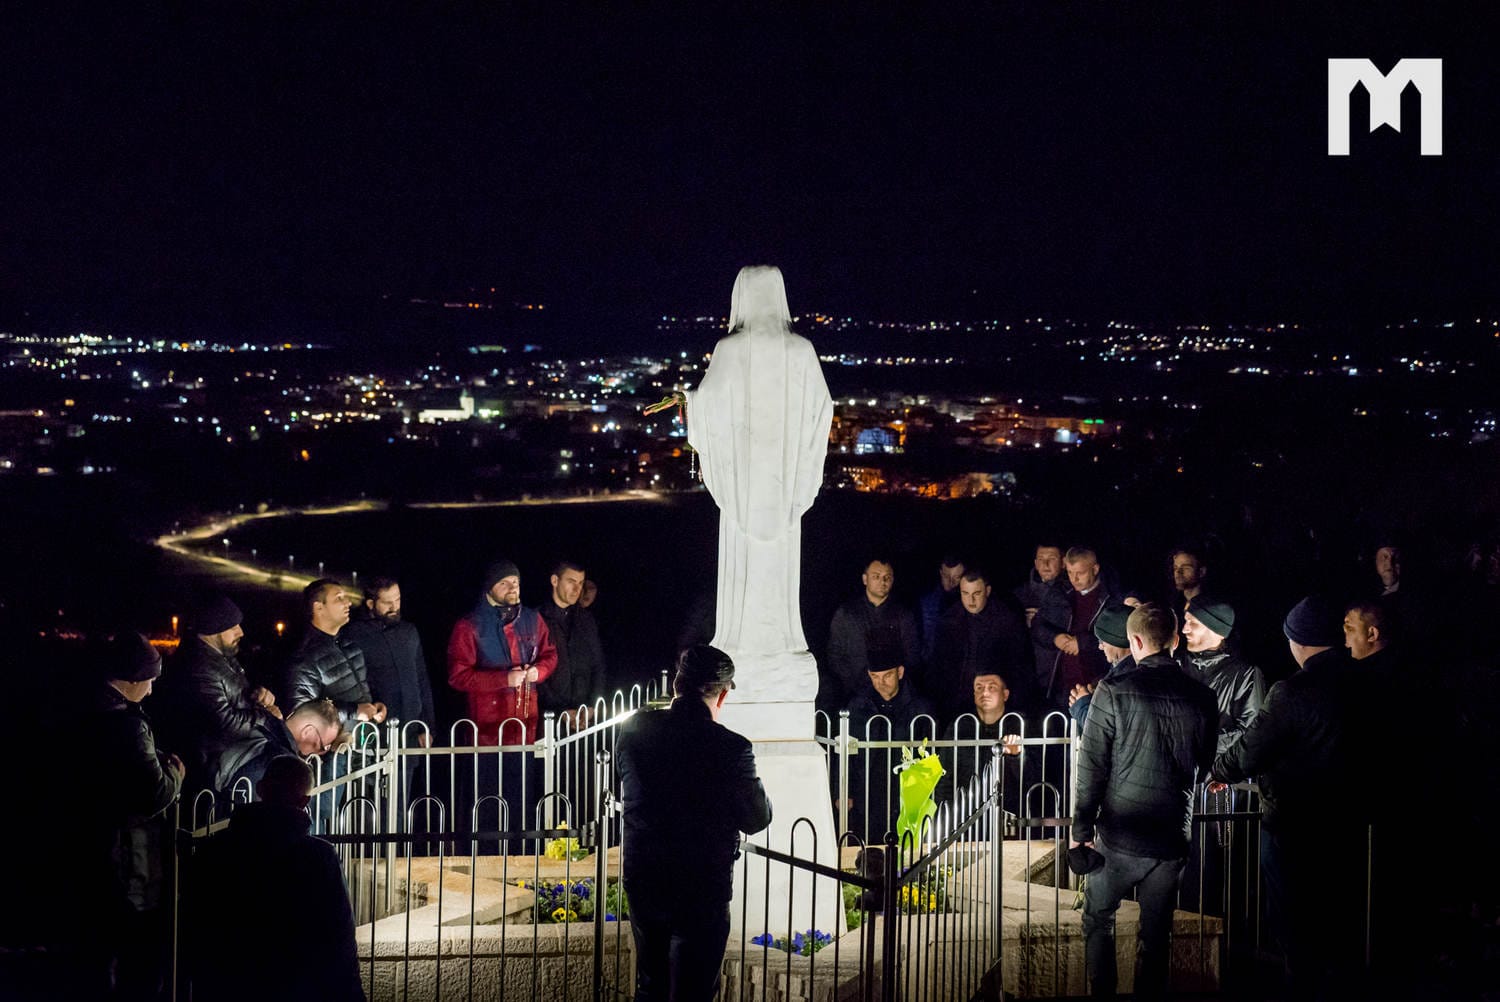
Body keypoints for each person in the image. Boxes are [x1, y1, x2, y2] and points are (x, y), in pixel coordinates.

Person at [1211, 595, 1360, 1000]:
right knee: (1342, 916)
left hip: (1294, 822)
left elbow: (1252, 750)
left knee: (1294, 918)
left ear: (1297, 641)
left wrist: (1220, 770)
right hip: (1352, 821)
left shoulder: (1292, 691)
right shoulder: (1364, 681)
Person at [681, 265, 834, 660]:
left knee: (743, 575)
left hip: (743, 491)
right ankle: (781, 645)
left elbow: (708, 409)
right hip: (784, 491)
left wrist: (687, 403)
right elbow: (822, 410)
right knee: (779, 576)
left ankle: (742, 645)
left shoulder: (730, 349)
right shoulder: (801, 350)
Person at [1071, 604, 1218, 1001]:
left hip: (1122, 832)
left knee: (1098, 918)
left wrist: (1081, 830)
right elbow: (1205, 763)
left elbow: (1092, 768)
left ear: (1134, 641)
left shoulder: (1113, 691)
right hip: (1172, 835)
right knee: (1156, 934)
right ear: (1174, 640)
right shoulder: (1203, 696)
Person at [616, 645, 772, 1002]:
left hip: (646, 876)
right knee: (695, 991)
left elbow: (627, 784)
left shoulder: (634, 730)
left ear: (677, 684)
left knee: (650, 984)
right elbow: (756, 818)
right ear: (723, 695)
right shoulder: (731, 747)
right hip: (701, 885)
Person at [185, 755, 364, 1001]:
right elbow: (338, 936)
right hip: (298, 986)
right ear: (305, 801)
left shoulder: (215, 850)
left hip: (230, 983)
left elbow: (195, 923)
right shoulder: (318, 857)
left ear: (260, 789)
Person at [77, 630, 186, 1000]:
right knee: (137, 952)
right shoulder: (129, 725)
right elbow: (152, 793)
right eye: (150, 680)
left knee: (96, 950)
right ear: (132, 678)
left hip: (89, 846)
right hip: (128, 854)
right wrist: (175, 774)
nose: (152, 690)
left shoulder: (81, 710)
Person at [447, 558, 557, 847]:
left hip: (524, 727)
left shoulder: (532, 619)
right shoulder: (469, 625)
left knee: (520, 799)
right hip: (486, 732)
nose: (512, 588)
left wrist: (539, 671)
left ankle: (520, 854)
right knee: (487, 801)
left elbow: (549, 654)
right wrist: (503, 679)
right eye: (505, 583)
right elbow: (458, 676)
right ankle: (485, 854)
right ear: (490, 587)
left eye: (516, 582)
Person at [157, 593, 282, 796]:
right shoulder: (198, 667)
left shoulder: (222, 657)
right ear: (212, 630)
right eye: (232, 626)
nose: (241, 632)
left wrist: (258, 695)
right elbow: (223, 723)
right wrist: (265, 716)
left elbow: (234, 694)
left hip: (231, 759)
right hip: (213, 772)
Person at [845, 642, 937, 844]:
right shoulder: (858, 706)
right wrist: (843, 791)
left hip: (906, 790)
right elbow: (845, 753)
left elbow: (931, 756)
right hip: (867, 790)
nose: (881, 682)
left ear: (900, 672)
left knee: (907, 846)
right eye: (875, 676)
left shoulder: (921, 708)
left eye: (887, 675)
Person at [344, 576, 436, 747]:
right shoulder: (353, 635)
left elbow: (422, 679)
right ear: (370, 604)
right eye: (387, 603)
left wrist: (427, 725)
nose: (395, 607)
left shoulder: (409, 632)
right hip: (375, 730)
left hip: (412, 729)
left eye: (398, 600)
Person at [932, 567, 1033, 723]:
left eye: (976, 593)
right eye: (965, 593)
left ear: (987, 591)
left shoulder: (1007, 620)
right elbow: (940, 667)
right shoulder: (949, 620)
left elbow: (1019, 666)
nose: (970, 600)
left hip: (997, 704)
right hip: (958, 704)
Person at [283, 579, 385, 729]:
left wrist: (376, 703)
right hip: (338, 742)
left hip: (367, 737)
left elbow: (365, 685)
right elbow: (303, 712)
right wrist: (352, 712)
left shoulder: (350, 644)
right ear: (319, 608)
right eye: (339, 598)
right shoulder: (304, 657)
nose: (348, 603)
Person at [826, 558, 921, 708]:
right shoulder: (847, 614)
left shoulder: (903, 615)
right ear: (865, 579)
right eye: (876, 576)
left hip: (895, 698)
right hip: (854, 695)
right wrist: (855, 685)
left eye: (887, 577)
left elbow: (912, 655)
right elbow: (835, 655)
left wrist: (893, 687)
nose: (882, 582)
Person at [1033, 546, 1119, 709]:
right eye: (1070, 573)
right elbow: (1038, 626)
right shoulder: (1059, 592)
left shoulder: (1110, 597)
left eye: (1080, 573)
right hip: (1059, 687)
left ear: (1095, 569)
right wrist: (1055, 638)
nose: (1075, 579)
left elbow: (1117, 636)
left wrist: (1082, 643)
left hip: (1096, 684)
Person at [1179, 599, 1265, 757]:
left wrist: (1198, 747)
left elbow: (1250, 729)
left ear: (1217, 631)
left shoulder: (1244, 674)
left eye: (1193, 623)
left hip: (1216, 768)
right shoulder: (1176, 664)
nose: (1184, 629)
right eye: (1185, 621)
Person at [933, 672, 1027, 817]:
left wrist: (1016, 757)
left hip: (1008, 816)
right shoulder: (960, 727)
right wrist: (942, 817)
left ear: (1005, 694)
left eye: (992, 687)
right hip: (965, 816)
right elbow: (944, 776)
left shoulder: (1019, 724)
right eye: (979, 688)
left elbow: (1032, 779)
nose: (985, 693)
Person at [215, 698, 344, 793]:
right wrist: (339, 754)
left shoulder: (259, 732)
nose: (321, 754)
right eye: (323, 747)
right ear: (307, 732)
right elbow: (322, 807)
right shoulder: (285, 764)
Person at [536, 559, 606, 731]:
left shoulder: (586, 619)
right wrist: (559, 710)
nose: (577, 589)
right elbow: (533, 673)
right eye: (571, 581)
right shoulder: (536, 619)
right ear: (555, 580)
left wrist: (592, 704)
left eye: (581, 583)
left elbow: (598, 664)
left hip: (584, 716)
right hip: (549, 721)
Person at [1067, 603, 1136, 730]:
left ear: (1117, 640)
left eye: (1102, 641)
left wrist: (1082, 707)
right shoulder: (1122, 672)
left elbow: (1105, 731)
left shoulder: (1126, 679)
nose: (1100, 647)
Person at [1015, 543, 1067, 688]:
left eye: (1052, 558)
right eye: (1041, 559)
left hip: (1058, 668)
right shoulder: (1020, 595)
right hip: (1026, 667)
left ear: (1063, 563)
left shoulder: (1071, 593)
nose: (1046, 564)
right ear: (1036, 563)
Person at [919, 554, 966, 665]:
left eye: (956, 577)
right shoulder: (927, 602)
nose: (951, 582)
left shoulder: (969, 602)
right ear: (940, 573)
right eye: (946, 576)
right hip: (933, 664)